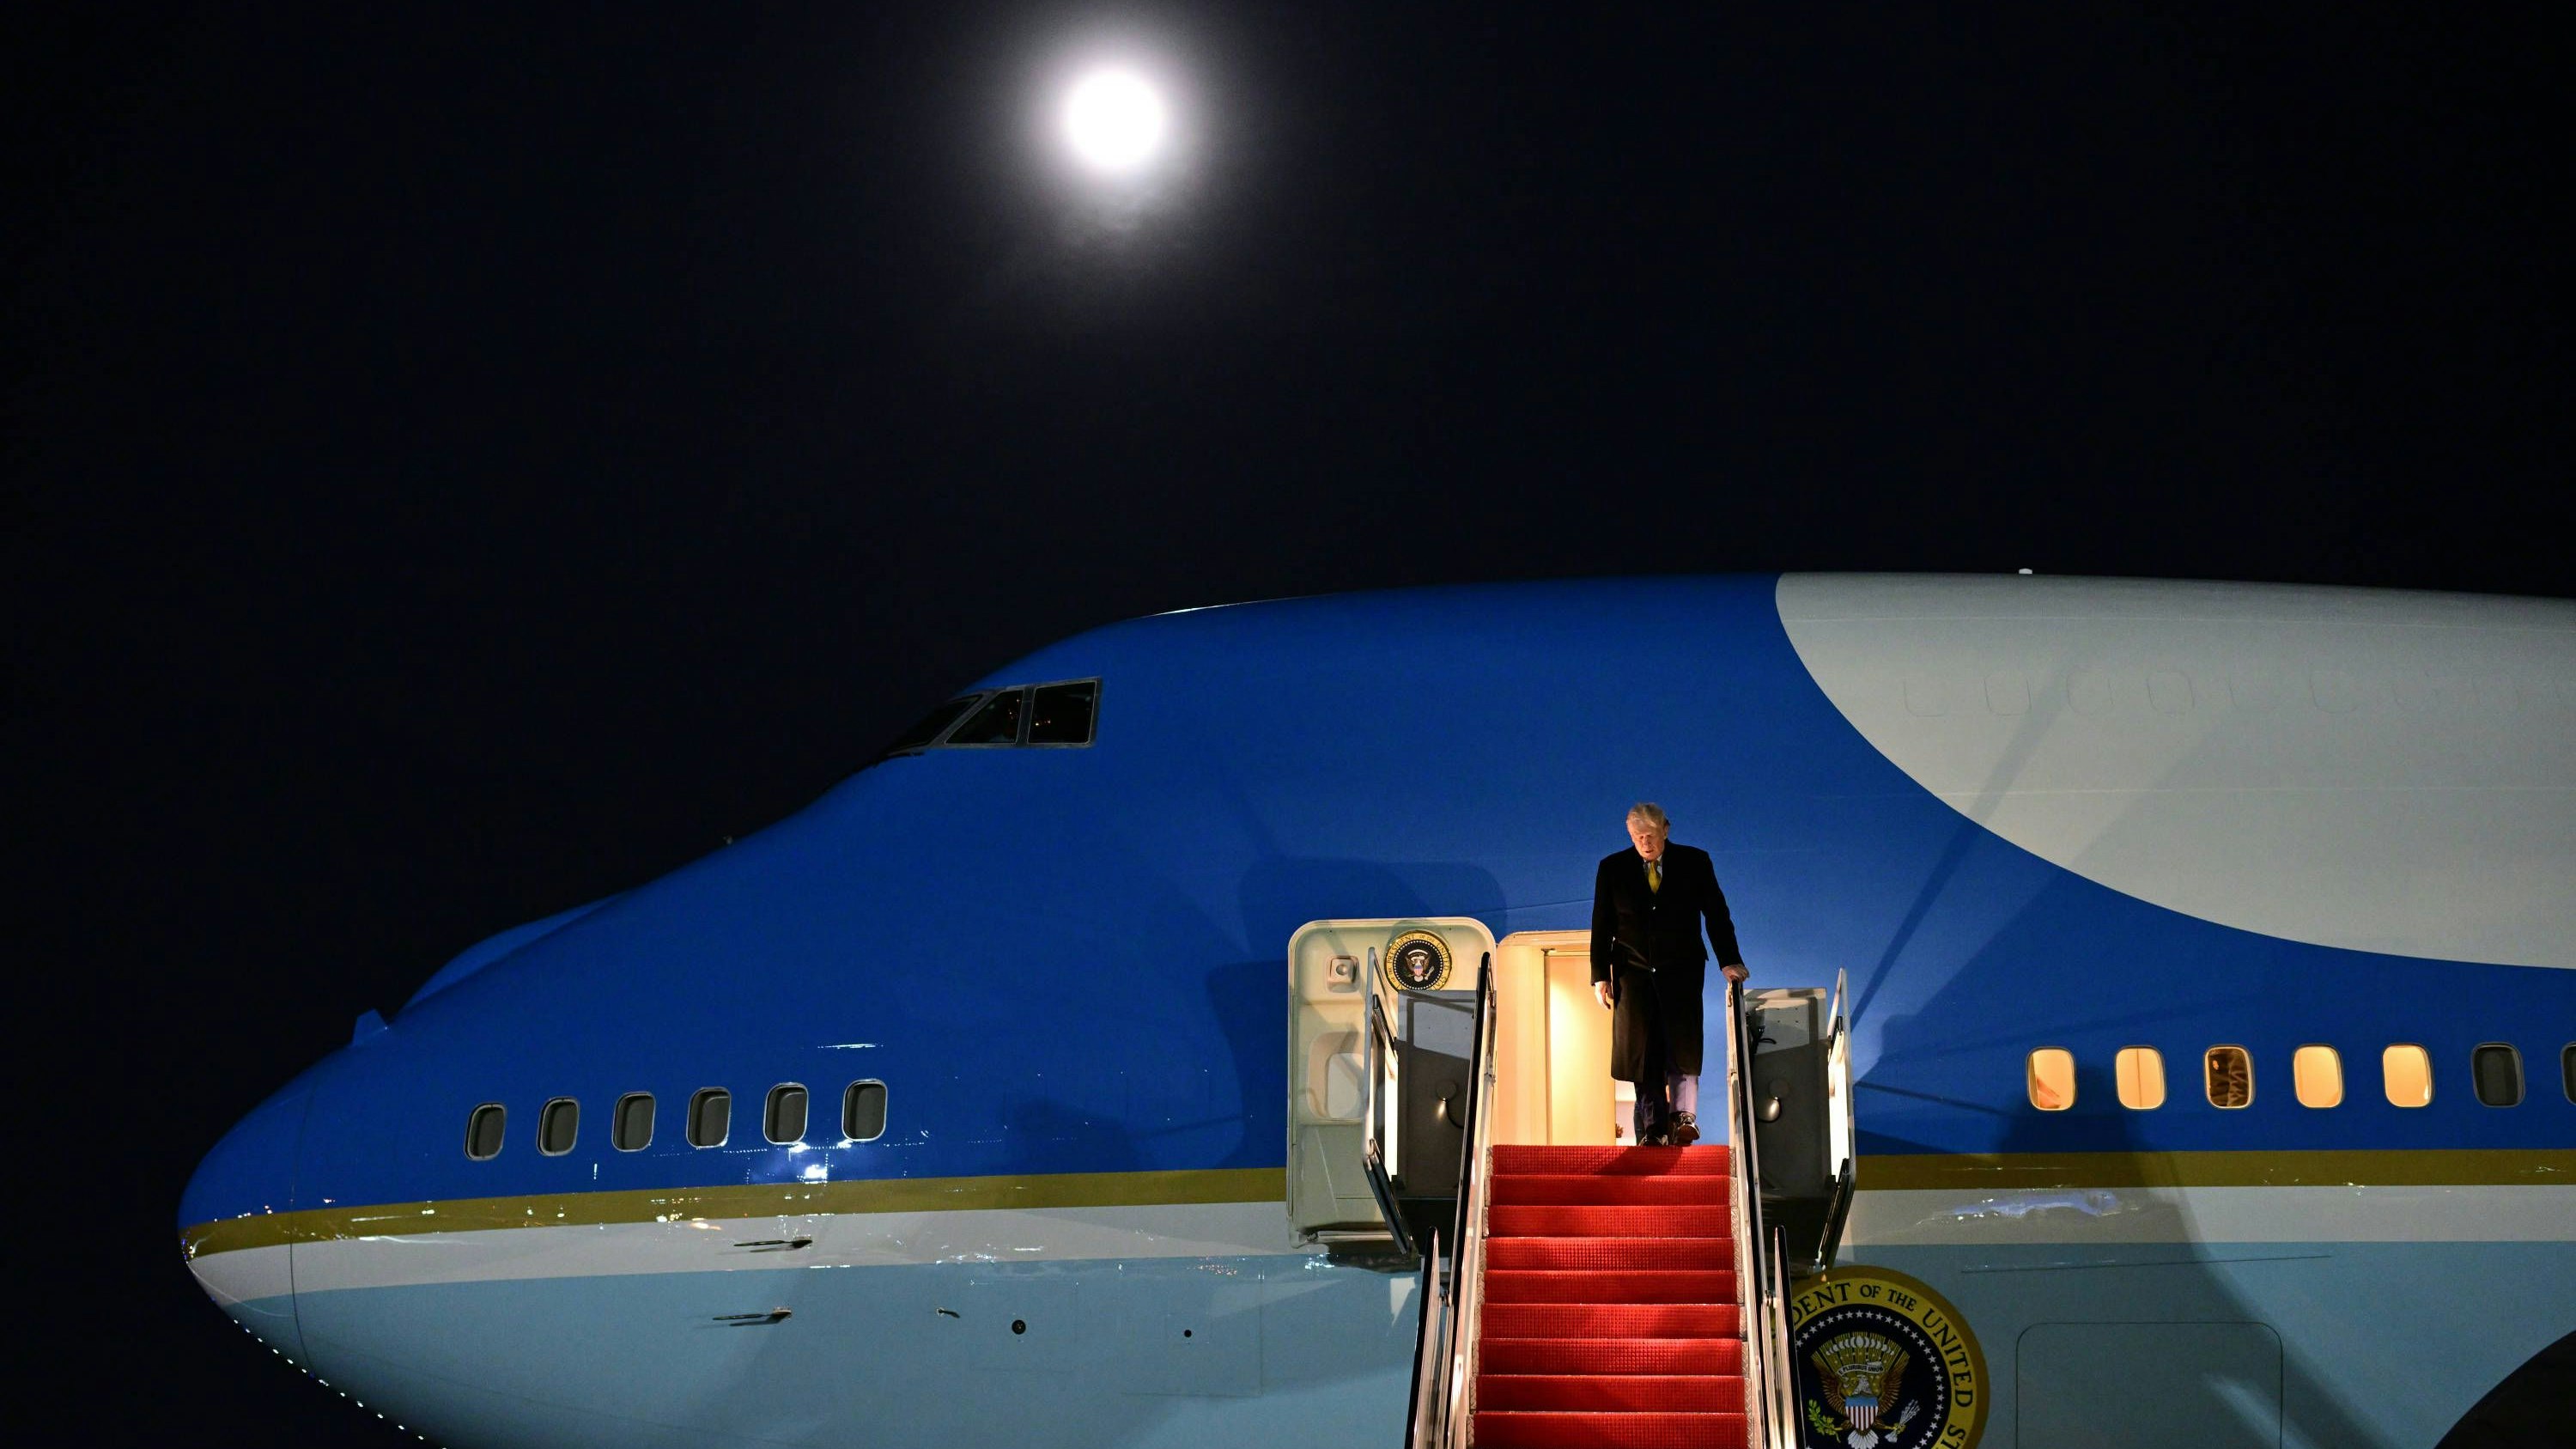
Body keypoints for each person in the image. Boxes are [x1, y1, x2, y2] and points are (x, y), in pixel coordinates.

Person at [1591, 801, 1747, 1147]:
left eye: (1650, 835)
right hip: (1633, 973)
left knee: (1683, 1044)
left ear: (1666, 829)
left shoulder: (1695, 861)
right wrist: (1600, 975)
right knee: (1641, 1051)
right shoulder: (1612, 868)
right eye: (1637, 837)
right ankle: (1653, 1129)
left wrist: (1729, 961)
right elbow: (1601, 926)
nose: (1645, 843)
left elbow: (1717, 914)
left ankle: (1684, 1119)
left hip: (1681, 970)